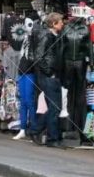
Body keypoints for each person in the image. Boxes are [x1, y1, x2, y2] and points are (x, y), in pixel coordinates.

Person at [32, 12, 66, 148]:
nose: (63, 23)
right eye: (60, 22)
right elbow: (38, 57)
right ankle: (52, 139)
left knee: (55, 107)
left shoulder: (54, 36)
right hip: (48, 76)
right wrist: (49, 72)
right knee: (55, 107)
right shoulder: (46, 36)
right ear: (53, 24)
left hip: (54, 75)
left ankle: (35, 130)